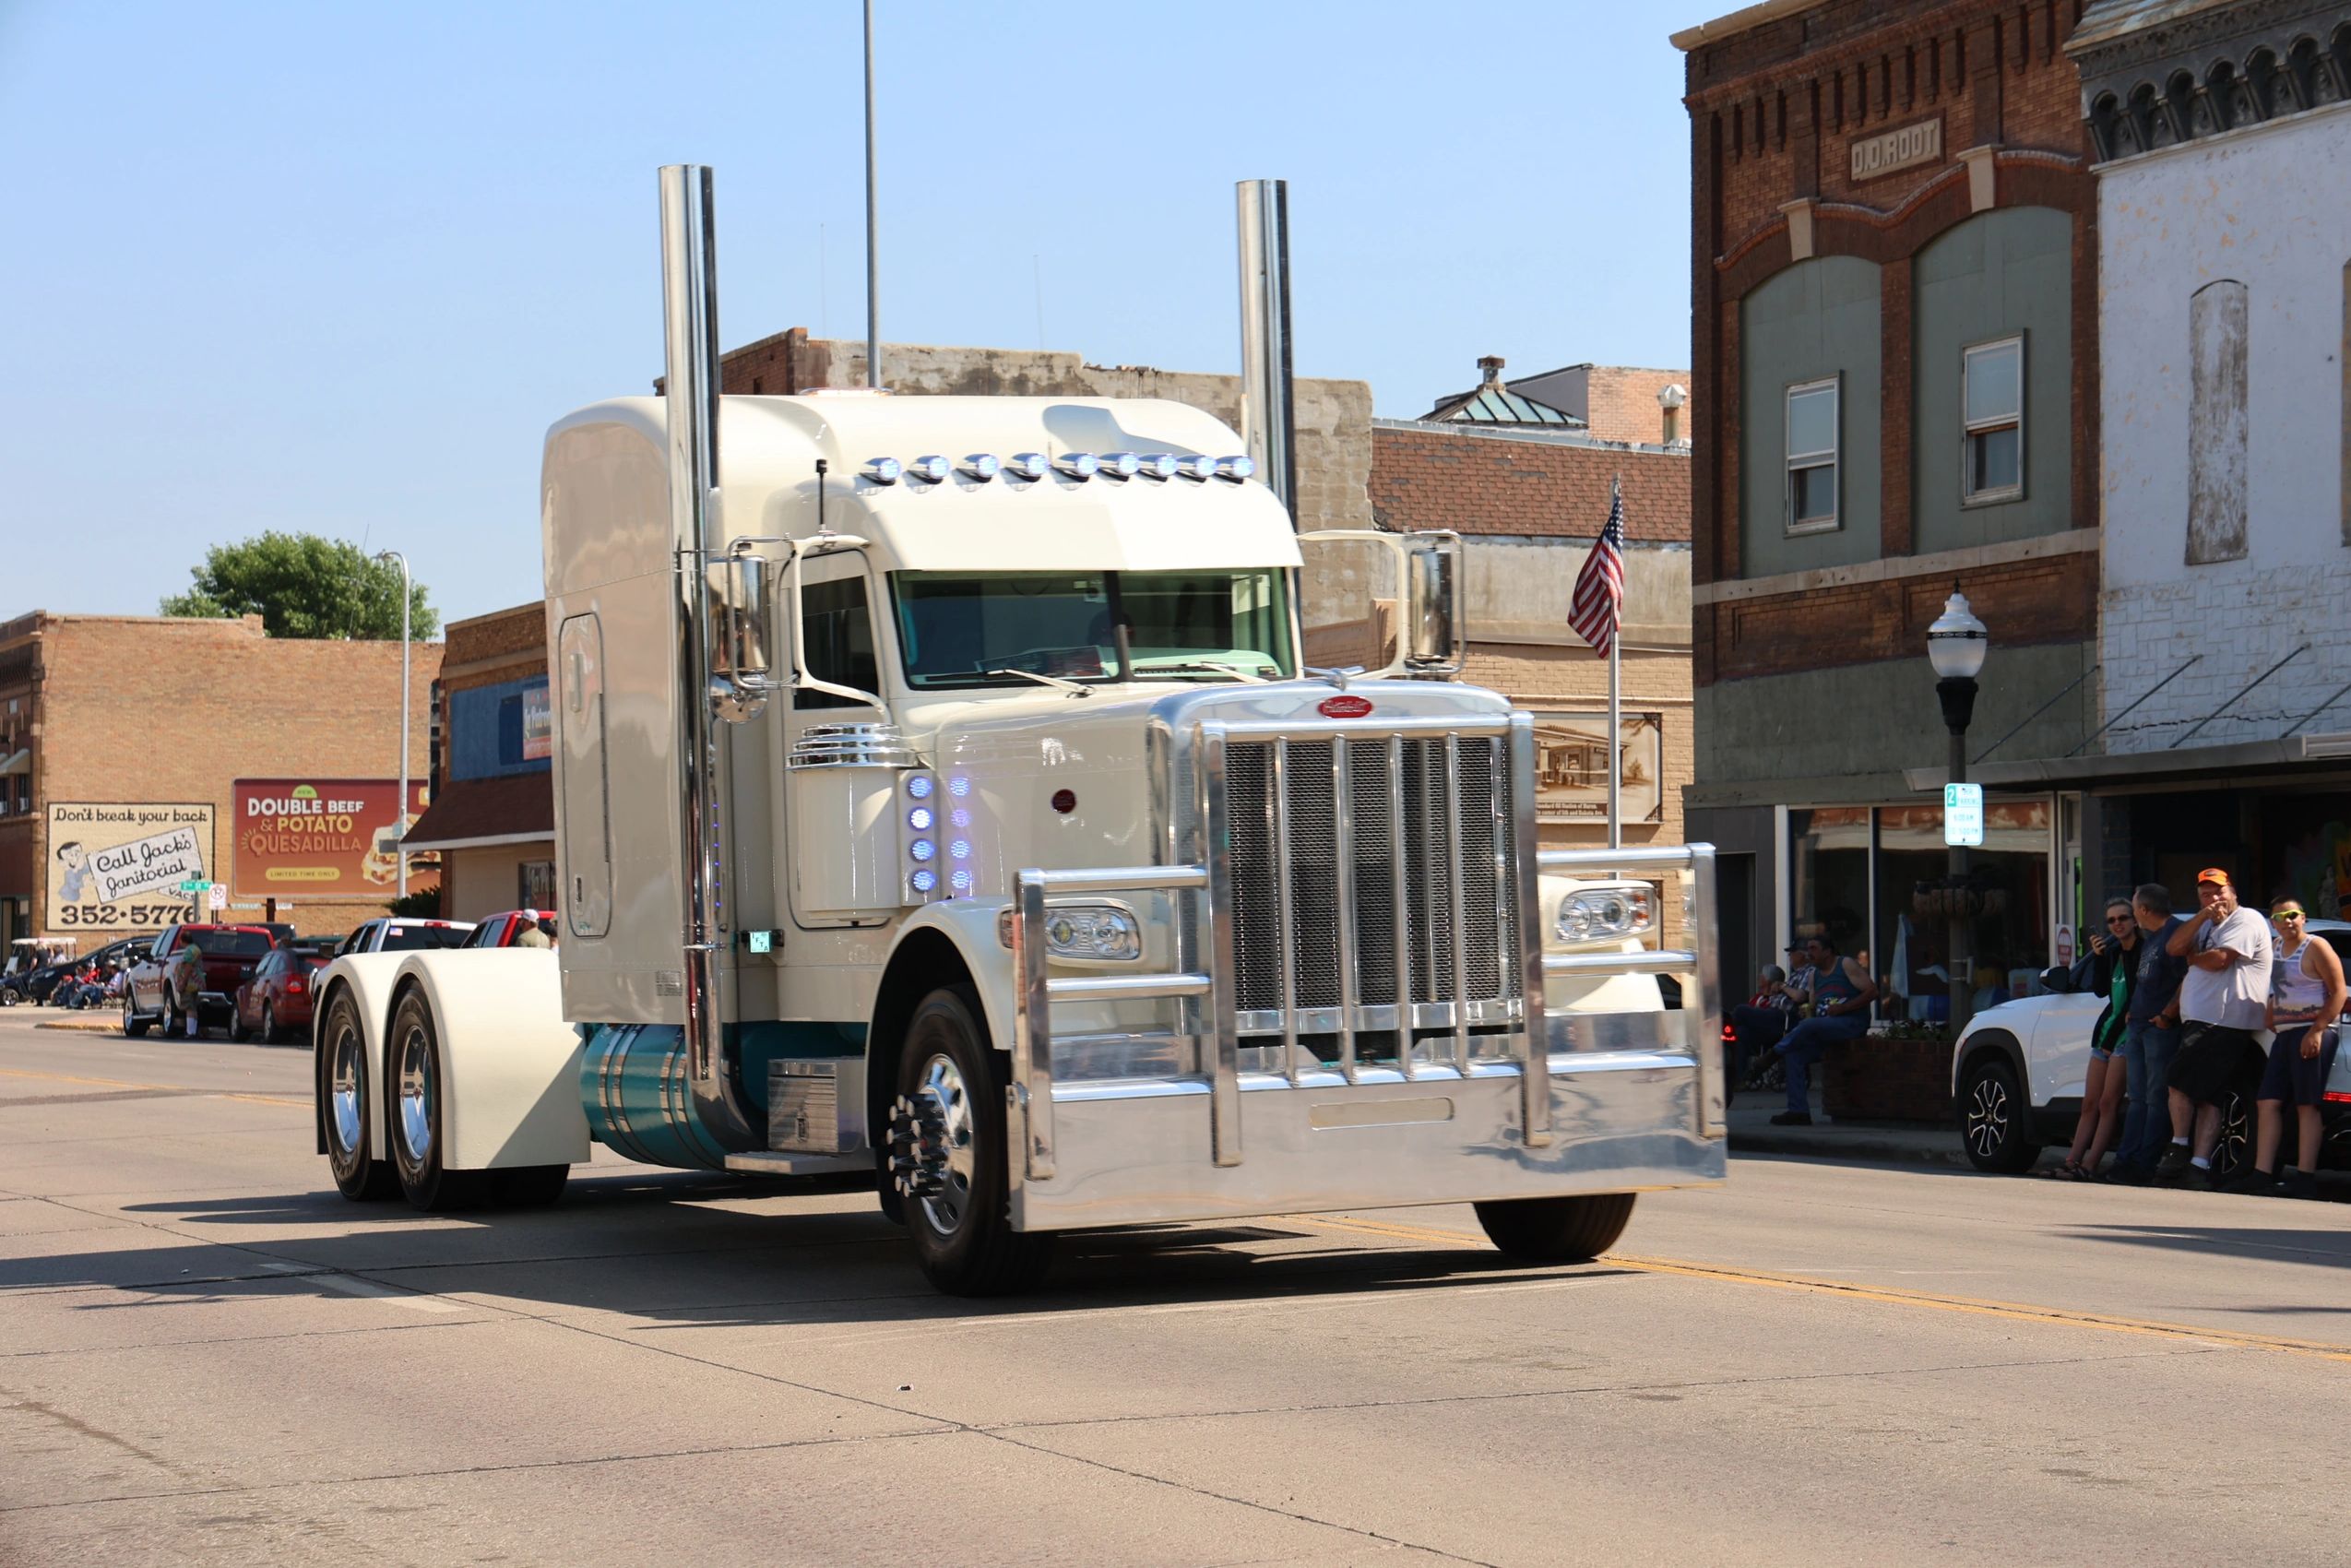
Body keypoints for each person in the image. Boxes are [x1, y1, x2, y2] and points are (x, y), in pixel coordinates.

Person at [2155, 868, 2273, 1188]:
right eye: (2206, 894)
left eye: (2219, 892)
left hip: (2222, 1020)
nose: (2214, 899)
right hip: (2204, 1019)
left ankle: (2179, 1146)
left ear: (2233, 891)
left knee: (2177, 1082)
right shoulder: (2206, 921)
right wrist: (2202, 916)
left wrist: (2194, 958)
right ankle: (2199, 1166)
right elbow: (2173, 948)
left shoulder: (2246, 919)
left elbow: (2221, 959)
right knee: (2209, 1096)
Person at [2227, 899, 2345, 1198]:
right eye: (2280, 917)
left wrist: (2317, 1030)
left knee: (2308, 1105)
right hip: (2283, 1036)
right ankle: (2262, 1172)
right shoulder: (2276, 948)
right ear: (2273, 923)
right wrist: (2271, 1015)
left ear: (2302, 918)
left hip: (2312, 1032)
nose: (2287, 921)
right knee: (2267, 1102)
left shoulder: (2317, 947)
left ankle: (2305, 1176)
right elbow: (2275, 989)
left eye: (2292, 915)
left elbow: (2339, 991)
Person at [2108, 883, 2187, 1184]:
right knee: (2137, 1097)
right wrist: (2133, 1011)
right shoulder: (2152, 939)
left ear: (2143, 910)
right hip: (2138, 1025)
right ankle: (2125, 1161)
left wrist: (2168, 1013)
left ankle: (2145, 1163)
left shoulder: (2174, 934)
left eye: (2133, 907)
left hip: (2159, 1028)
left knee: (2155, 1097)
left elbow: (2187, 977)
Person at [2054, 899, 2139, 1179]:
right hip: (2105, 1033)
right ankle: (2071, 1161)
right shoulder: (2114, 953)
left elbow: (2134, 1002)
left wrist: (2110, 1039)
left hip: (2124, 1037)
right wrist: (2100, 957)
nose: (2117, 925)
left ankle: (2090, 1165)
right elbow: (2102, 992)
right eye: (2111, 921)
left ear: (2136, 919)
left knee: (2107, 1103)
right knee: (2089, 1103)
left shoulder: (2141, 953)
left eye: (2123, 918)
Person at [1768, 932, 1876, 1126]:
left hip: (1850, 1023)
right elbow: (1813, 1007)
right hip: (1825, 1028)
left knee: (1810, 1026)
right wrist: (1806, 1013)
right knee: (1795, 1054)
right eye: (1807, 949)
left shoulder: (1845, 965)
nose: (1809, 953)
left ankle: (1773, 1054)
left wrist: (1844, 1007)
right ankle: (1798, 1111)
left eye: (1813, 949)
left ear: (1827, 952)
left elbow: (1872, 991)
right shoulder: (1813, 975)